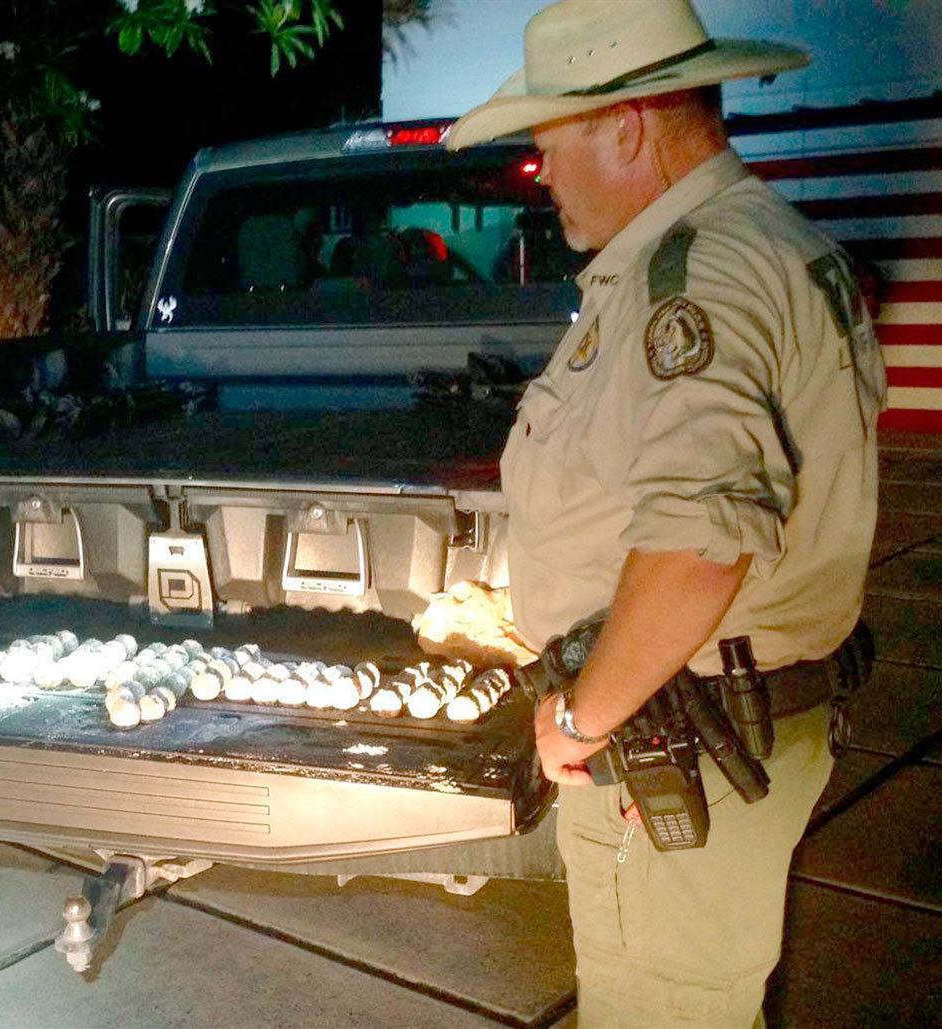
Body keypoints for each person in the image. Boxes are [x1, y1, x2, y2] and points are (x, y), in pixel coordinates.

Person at [443, 1, 887, 1026]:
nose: (539, 172)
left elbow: (698, 539)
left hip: (670, 735)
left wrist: (578, 718)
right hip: (709, 723)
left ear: (626, 126)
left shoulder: (696, 279)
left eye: (549, 143)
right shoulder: (745, 246)